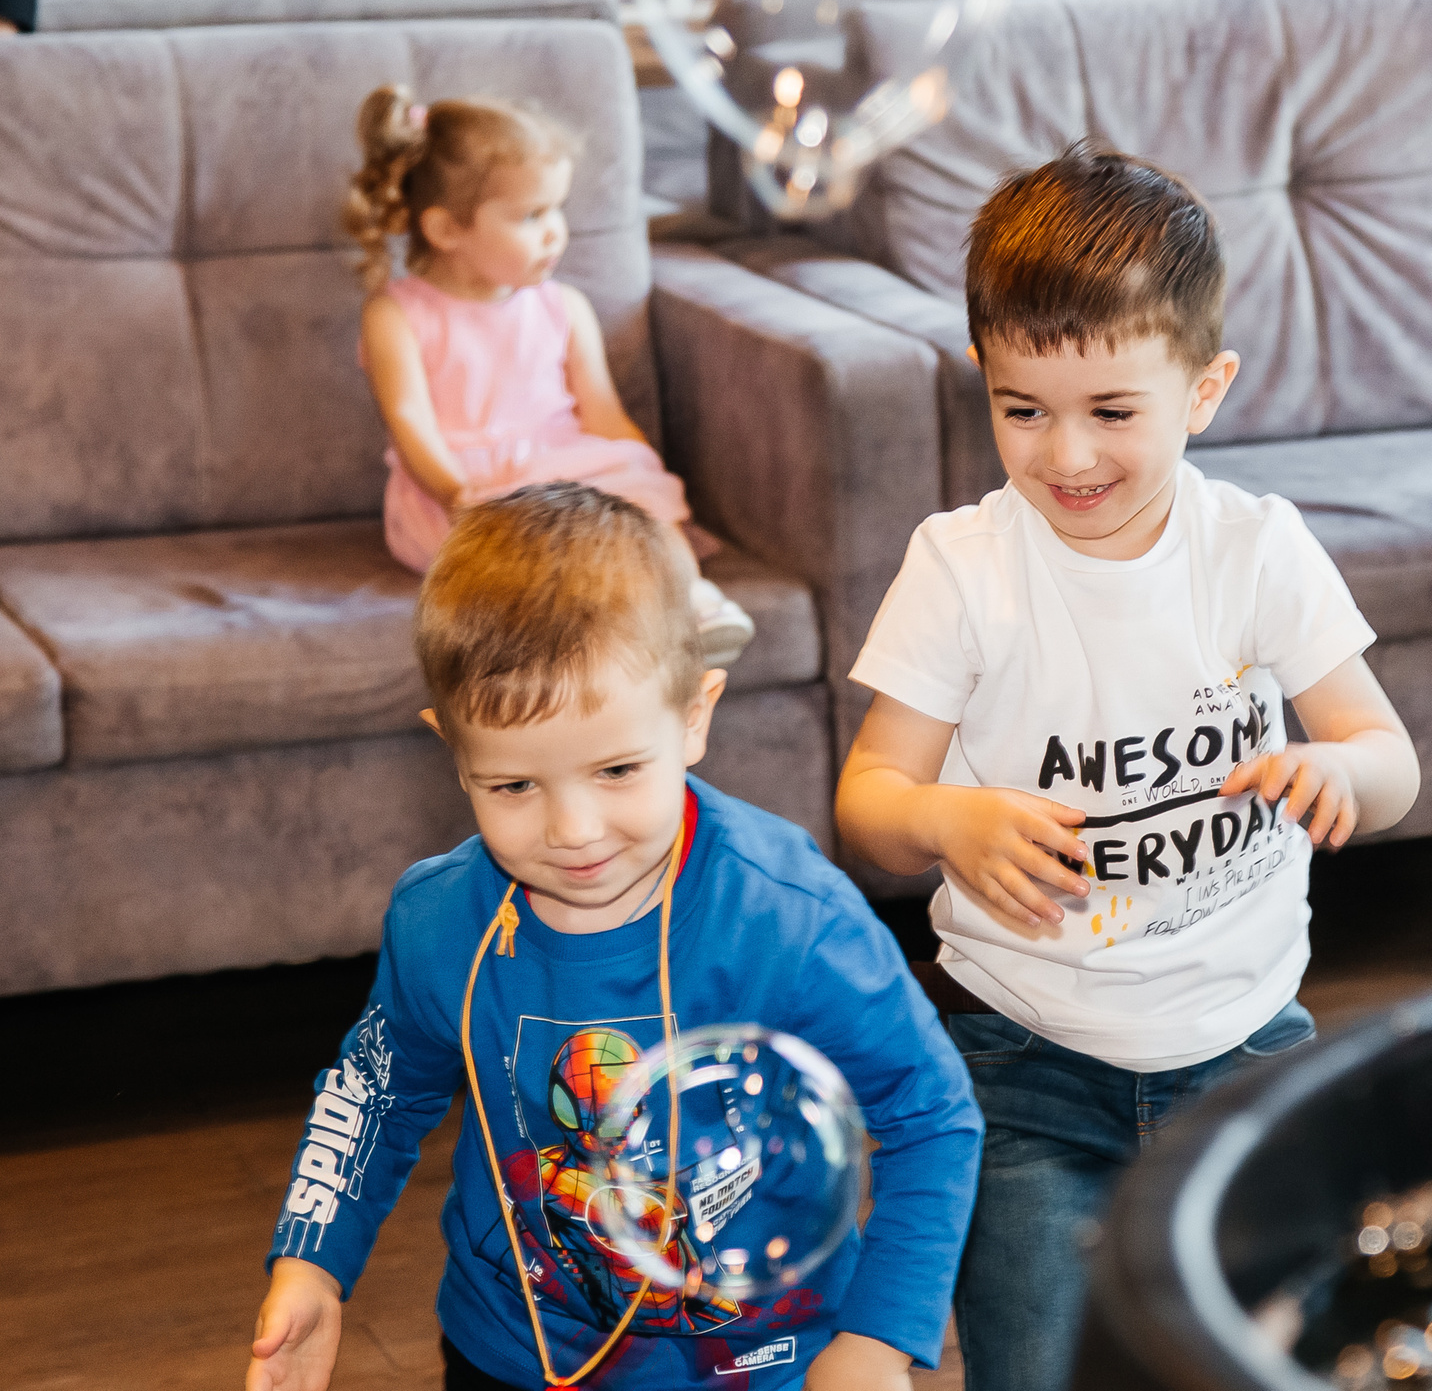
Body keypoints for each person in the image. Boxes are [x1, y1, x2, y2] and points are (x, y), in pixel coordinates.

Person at [834, 140, 1421, 1391]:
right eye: (1022, 410)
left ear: (1204, 390)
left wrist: (1339, 775)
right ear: (983, 380)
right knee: (1038, 1367)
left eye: (1112, 412)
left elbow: (1389, 758)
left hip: (1245, 1046)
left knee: (1268, 1359)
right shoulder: (960, 568)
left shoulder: (1256, 550)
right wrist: (941, 820)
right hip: (1025, 1062)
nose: (1066, 457)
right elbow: (867, 803)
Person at [247, 483, 981, 1391]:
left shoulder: (790, 918)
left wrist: (875, 1340)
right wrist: (311, 1264)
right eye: (514, 785)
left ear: (694, 716)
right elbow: (374, 1097)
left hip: (761, 1368)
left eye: (618, 769)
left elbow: (931, 1113)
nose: (575, 830)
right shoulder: (438, 922)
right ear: (455, 753)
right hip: (508, 1356)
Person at [342, 83, 755, 667]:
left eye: (558, 209)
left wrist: (641, 479)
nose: (556, 231)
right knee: (541, 555)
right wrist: (457, 495)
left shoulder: (564, 307)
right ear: (447, 230)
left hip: (564, 463)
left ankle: (693, 604)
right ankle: (612, 629)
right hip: (462, 489)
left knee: (642, 511)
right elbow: (410, 422)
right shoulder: (397, 315)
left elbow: (603, 414)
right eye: (531, 215)